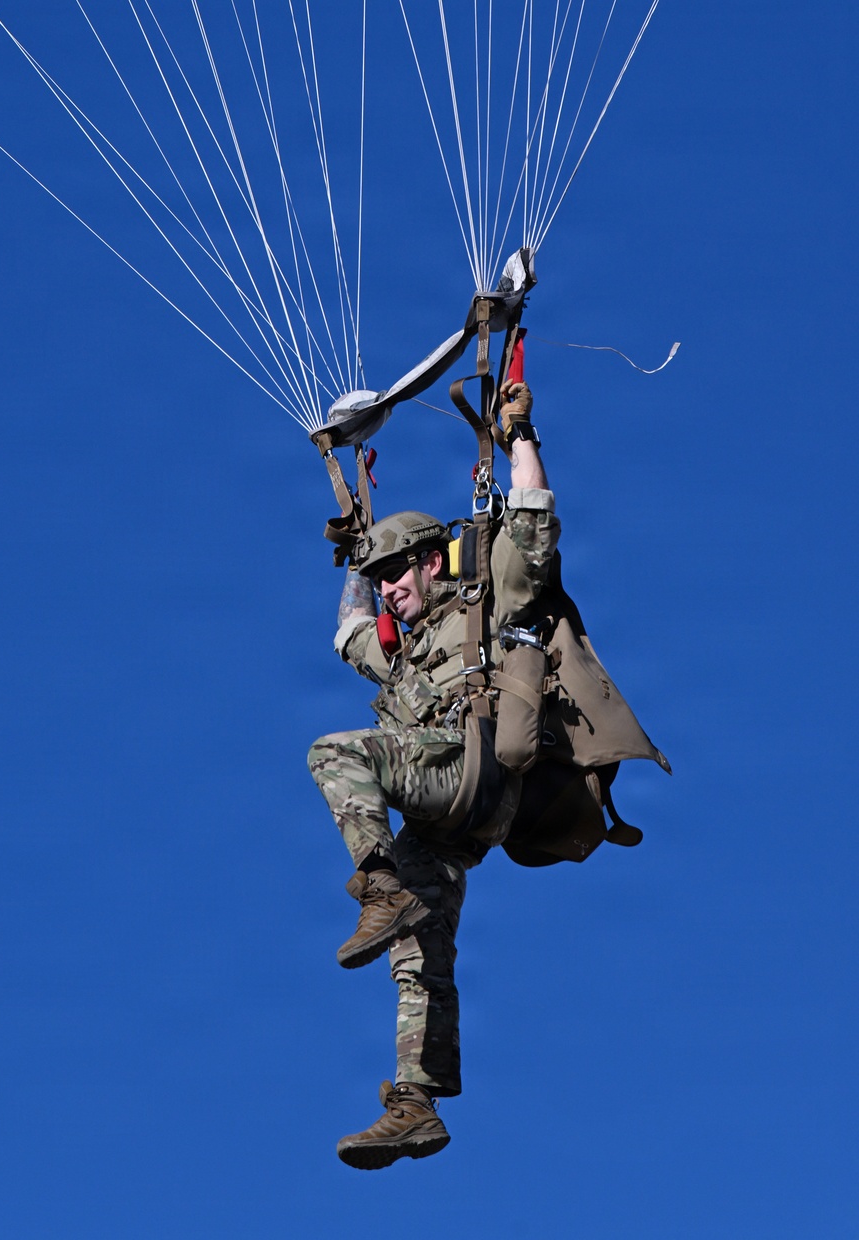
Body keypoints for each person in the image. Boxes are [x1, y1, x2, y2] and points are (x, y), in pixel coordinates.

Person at [308, 381, 668, 1170]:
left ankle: (377, 887)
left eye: (398, 572)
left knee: (336, 753)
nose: (391, 589)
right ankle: (417, 1104)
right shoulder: (401, 652)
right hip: (455, 822)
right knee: (418, 951)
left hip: (469, 770)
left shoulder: (488, 599)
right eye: (383, 578)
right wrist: (356, 550)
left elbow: (532, 515)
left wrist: (519, 434)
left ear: (432, 560)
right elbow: (348, 629)